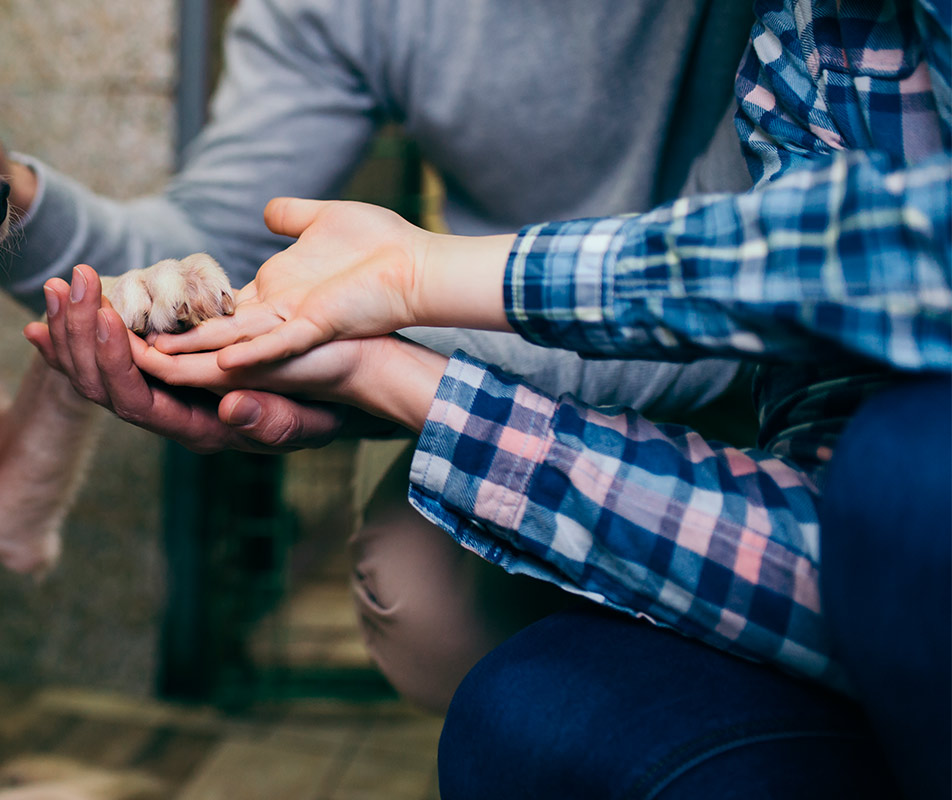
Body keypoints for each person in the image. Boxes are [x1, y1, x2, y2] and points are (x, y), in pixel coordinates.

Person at [0, 0, 758, 709]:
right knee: (422, 598)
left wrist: (386, 358)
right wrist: (3, 192)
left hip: (812, 355)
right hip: (511, 345)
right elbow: (206, 244)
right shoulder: (330, 13)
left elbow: (776, 272)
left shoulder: (809, 37)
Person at [115, 0, 950, 793]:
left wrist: (426, 280)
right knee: (514, 713)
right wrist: (380, 374)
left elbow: (876, 253)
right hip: (845, 504)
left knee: (903, 471)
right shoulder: (803, 32)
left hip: (729, 386)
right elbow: (842, 548)